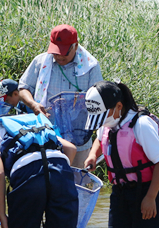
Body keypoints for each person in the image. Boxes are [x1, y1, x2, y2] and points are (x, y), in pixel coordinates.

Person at [84, 81, 159, 228]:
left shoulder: (141, 125)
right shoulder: (108, 123)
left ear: (119, 107)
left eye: (103, 116)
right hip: (120, 189)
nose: (101, 122)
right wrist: (93, 155)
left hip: (147, 190)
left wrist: (150, 198)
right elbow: (99, 139)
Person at [17, 24, 103, 168]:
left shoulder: (91, 67)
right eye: (56, 52)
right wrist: (33, 105)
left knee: (75, 185)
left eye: (63, 53)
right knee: (45, 182)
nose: (59, 56)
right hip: (45, 137)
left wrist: (77, 106)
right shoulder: (41, 62)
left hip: (79, 142)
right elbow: (23, 88)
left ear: (75, 46)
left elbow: (99, 102)